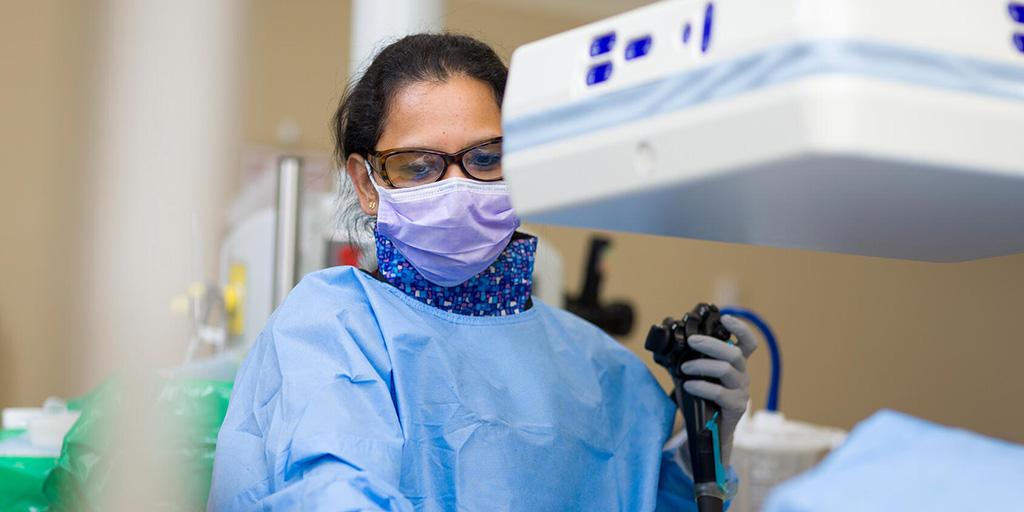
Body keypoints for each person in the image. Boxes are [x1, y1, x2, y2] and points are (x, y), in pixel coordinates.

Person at [207, 33, 757, 511]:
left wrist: (702, 450)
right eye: (418, 166)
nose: (456, 188)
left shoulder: (603, 371)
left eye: (486, 158)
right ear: (365, 183)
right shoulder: (331, 330)